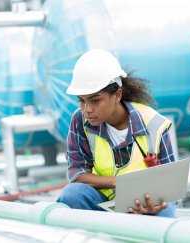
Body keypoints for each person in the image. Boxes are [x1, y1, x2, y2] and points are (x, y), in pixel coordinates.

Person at [56, 49, 176, 217]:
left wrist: (153, 205)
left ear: (117, 95)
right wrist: (118, 183)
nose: (87, 109)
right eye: (81, 101)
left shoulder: (153, 123)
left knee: (165, 215)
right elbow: (77, 174)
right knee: (72, 194)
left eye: (95, 100)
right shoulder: (80, 120)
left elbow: (168, 182)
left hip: (147, 202)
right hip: (104, 203)